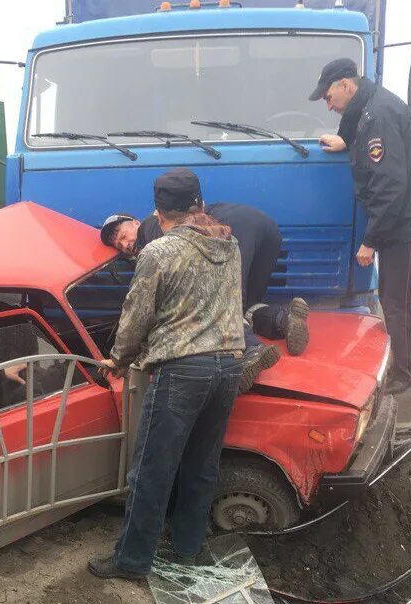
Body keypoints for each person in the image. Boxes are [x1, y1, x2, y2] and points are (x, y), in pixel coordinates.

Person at [88, 169, 245, 580]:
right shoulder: (230, 245)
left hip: (182, 368)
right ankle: (189, 549)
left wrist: (118, 361)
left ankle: (132, 561)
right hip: (228, 365)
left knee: (152, 470)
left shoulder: (159, 252)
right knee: (201, 465)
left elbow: (136, 314)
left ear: (159, 211)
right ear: (200, 203)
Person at [309, 58, 411, 395]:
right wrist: (346, 141)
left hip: (406, 222)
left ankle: (406, 372)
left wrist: (370, 240)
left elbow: (390, 187)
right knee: (403, 297)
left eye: (328, 96)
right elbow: (370, 146)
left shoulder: (377, 116)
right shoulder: (371, 109)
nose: (328, 103)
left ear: (346, 86)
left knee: (396, 300)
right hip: (404, 218)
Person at [100, 202, 310, 358]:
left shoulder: (150, 227)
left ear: (135, 222)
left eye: (121, 233)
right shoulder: (161, 223)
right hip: (266, 227)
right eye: (118, 244)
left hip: (233, 230)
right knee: (248, 304)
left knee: (225, 299)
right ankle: (284, 320)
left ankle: (251, 352)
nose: (123, 243)